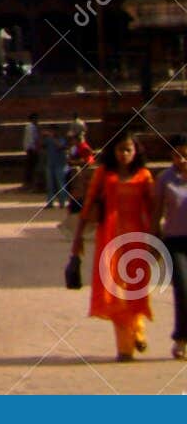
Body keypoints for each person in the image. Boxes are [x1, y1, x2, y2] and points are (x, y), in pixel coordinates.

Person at [72, 132, 157, 361]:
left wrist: (158, 240)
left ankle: (138, 330)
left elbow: (154, 209)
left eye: (128, 149)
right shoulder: (104, 174)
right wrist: (77, 238)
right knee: (115, 294)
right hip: (110, 241)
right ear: (113, 152)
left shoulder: (144, 176)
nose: (124, 154)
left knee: (135, 291)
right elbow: (88, 205)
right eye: (120, 150)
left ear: (136, 151)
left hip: (137, 240)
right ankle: (124, 347)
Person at [154, 134, 187, 361]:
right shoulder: (165, 179)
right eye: (177, 155)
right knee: (183, 289)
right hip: (175, 241)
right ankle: (181, 338)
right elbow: (156, 213)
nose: (182, 159)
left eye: (185, 155)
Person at [42, 121, 70, 209]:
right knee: (49, 184)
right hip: (50, 163)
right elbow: (41, 146)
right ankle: (50, 202)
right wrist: (42, 136)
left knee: (60, 183)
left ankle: (62, 202)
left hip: (59, 164)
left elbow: (60, 147)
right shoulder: (48, 140)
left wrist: (52, 138)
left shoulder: (61, 139)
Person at [22, 112, 42, 190]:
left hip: (29, 149)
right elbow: (33, 139)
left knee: (30, 167)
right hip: (32, 149)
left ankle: (28, 183)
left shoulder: (28, 127)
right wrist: (36, 148)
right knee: (33, 167)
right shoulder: (32, 127)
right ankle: (31, 184)